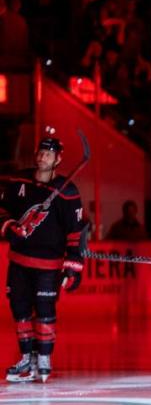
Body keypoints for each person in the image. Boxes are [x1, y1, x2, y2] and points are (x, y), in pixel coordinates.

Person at [0, 136, 85, 383]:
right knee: (20, 309)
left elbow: (75, 231)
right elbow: (2, 209)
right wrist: (9, 225)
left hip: (48, 264)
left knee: (46, 310)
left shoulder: (67, 191)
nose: (42, 157)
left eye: (48, 154)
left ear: (57, 159)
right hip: (19, 260)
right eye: (40, 152)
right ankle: (27, 357)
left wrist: (73, 265)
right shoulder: (19, 181)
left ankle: (44, 358)